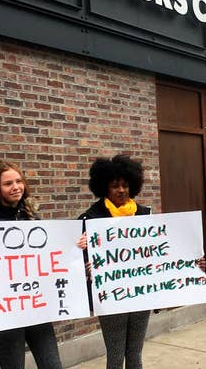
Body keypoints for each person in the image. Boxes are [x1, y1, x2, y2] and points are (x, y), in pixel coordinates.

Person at [0, 160, 62, 369]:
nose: (16, 187)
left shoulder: (32, 217)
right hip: (7, 313)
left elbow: (49, 256)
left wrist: (73, 247)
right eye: (8, 183)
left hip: (36, 306)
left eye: (19, 181)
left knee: (53, 365)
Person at [77, 155, 154, 369]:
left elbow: (157, 251)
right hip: (111, 294)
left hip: (140, 292)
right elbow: (78, 255)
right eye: (115, 186)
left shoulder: (144, 214)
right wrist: (86, 262)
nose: (121, 190)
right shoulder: (90, 218)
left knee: (135, 353)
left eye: (125, 185)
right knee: (116, 355)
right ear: (104, 188)